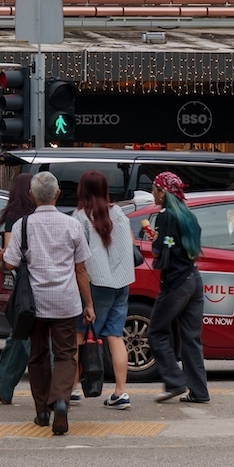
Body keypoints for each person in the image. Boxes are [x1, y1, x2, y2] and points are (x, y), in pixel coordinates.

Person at [7, 171, 93, 433]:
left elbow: (9, 263)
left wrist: (2, 257)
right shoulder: (73, 225)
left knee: (38, 355)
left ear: (31, 196)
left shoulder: (22, 225)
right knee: (67, 354)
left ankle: (42, 410)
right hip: (66, 301)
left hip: (33, 303)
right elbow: (81, 270)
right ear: (57, 194)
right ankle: (61, 401)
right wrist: (88, 304)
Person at [146, 172, 210, 404]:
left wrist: (153, 237)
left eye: (154, 189)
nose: (153, 193)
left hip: (175, 282)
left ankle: (175, 381)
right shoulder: (188, 216)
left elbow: (158, 250)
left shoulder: (165, 216)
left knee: (156, 332)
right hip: (193, 278)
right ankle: (199, 391)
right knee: (191, 338)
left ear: (162, 192)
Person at [75, 169, 136, 409]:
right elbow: (128, 243)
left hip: (95, 284)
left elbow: (79, 258)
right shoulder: (119, 213)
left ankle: (71, 389)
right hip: (121, 283)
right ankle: (121, 392)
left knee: (78, 335)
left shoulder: (80, 217)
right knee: (116, 335)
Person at [0, 175, 39, 405]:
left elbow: (10, 256)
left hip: (24, 284)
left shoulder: (14, 217)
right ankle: (2, 386)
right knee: (18, 335)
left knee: (23, 333)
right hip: (49, 280)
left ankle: (59, 387)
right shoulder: (42, 213)